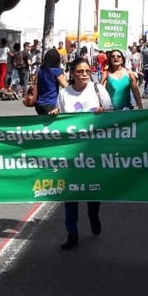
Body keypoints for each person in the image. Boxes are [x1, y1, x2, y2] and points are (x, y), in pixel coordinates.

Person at [49, 57, 113, 250]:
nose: (84, 75)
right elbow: (59, 116)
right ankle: (72, 232)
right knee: (70, 193)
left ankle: (93, 215)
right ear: (72, 73)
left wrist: (104, 111)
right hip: (71, 151)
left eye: (86, 71)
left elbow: (112, 113)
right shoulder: (64, 93)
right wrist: (55, 114)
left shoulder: (98, 89)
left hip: (93, 149)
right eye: (79, 71)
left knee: (93, 188)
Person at [34, 48, 68, 115]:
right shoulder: (56, 71)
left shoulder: (40, 70)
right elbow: (65, 85)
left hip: (39, 104)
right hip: (51, 104)